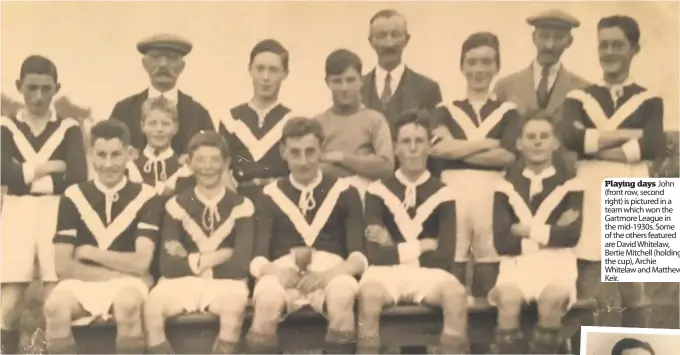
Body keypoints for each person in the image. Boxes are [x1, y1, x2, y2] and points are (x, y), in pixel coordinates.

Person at [563, 15, 664, 328]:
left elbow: (652, 146)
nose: (609, 52)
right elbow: (571, 138)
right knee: (590, 289)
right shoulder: (579, 97)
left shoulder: (650, 99)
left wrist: (593, 143)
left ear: (634, 49)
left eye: (617, 45)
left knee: (635, 295)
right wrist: (628, 136)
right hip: (590, 187)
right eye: (603, 45)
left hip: (636, 189)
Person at [246, 117, 367, 354]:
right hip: (283, 272)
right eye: (295, 152)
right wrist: (278, 273)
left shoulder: (344, 192)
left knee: (342, 297)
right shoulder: (268, 195)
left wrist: (329, 275)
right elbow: (257, 259)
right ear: (283, 152)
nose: (303, 161)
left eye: (310, 152)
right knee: (267, 303)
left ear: (321, 150)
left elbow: (358, 257)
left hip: (331, 271)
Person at [43, 119, 163, 354]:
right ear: (91, 155)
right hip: (85, 282)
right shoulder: (73, 196)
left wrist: (90, 252)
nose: (108, 164)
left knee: (127, 304)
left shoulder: (146, 196)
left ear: (128, 154)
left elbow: (140, 262)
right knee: (55, 307)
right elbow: (63, 267)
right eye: (101, 155)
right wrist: (117, 273)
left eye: (116, 155)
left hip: (127, 285)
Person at [357, 110, 468, 354]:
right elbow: (375, 256)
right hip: (385, 274)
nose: (413, 148)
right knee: (369, 296)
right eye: (406, 142)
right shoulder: (377, 191)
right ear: (395, 148)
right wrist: (423, 245)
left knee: (456, 295)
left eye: (419, 141)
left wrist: (392, 245)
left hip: (429, 274)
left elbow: (445, 257)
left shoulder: (444, 193)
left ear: (429, 146)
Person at [0, 55, 88, 354]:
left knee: (55, 293)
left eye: (46, 88)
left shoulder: (69, 127)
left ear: (56, 89)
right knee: (10, 299)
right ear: (19, 87)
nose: (38, 96)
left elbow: (76, 176)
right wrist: (50, 167)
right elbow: (3, 173)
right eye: (31, 88)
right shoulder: (6, 126)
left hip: (56, 210)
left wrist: (23, 171)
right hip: (15, 210)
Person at [144, 132, 255, 354]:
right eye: (200, 159)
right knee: (151, 309)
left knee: (233, 310)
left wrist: (190, 259)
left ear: (226, 163)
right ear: (189, 163)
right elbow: (168, 265)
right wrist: (217, 256)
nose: (208, 167)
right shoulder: (176, 204)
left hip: (226, 284)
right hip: (180, 282)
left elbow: (241, 263)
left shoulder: (242, 205)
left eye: (215, 160)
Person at [430, 32, 521, 296]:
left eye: (486, 62)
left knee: (488, 260)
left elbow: (508, 156)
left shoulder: (508, 110)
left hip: (492, 191)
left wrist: (456, 148)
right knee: (452, 259)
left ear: (497, 67)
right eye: (472, 62)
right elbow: (437, 149)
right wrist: (489, 142)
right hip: (451, 189)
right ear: (462, 66)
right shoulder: (445, 108)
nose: (478, 69)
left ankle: (485, 334)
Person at [489, 115, 583, 354]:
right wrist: (549, 235)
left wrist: (527, 231)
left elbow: (571, 236)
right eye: (530, 137)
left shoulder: (571, 184)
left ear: (555, 143)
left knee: (551, 299)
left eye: (544, 136)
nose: (537, 143)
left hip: (558, 265)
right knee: (508, 300)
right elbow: (502, 242)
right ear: (519, 143)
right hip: (516, 266)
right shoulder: (505, 185)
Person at [493, 9, 590, 174]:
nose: (549, 45)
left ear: (570, 41)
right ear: (534, 38)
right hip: (516, 180)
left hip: (565, 179)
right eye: (544, 36)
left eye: (558, 37)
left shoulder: (583, 89)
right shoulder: (505, 86)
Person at [110, 33, 214, 158]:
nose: (163, 64)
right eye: (155, 57)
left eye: (172, 58)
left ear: (182, 66)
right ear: (144, 64)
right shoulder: (123, 111)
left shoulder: (199, 115)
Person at [219, 39, 298, 202]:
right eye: (260, 69)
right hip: (240, 201)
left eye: (273, 70)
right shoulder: (231, 119)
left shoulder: (293, 120)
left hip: (281, 202)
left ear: (285, 73)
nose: (266, 77)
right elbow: (222, 170)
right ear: (250, 70)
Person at [315, 49, 394, 201]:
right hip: (327, 198)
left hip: (365, 198)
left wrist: (341, 157)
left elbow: (386, 166)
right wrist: (363, 166)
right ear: (327, 82)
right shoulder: (318, 123)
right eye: (337, 81)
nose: (344, 88)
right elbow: (313, 169)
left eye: (350, 80)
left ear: (361, 80)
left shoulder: (375, 120)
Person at [361, 9, 443, 138]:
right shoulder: (357, 88)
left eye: (395, 34)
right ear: (371, 41)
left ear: (407, 39)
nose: (389, 43)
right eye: (381, 35)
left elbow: (431, 141)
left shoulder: (428, 89)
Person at [126, 97, 194, 196]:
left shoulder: (184, 170)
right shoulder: (130, 168)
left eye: (166, 124)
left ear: (175, 128)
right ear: (142, 127)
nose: (159, 129)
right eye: (152, 123)